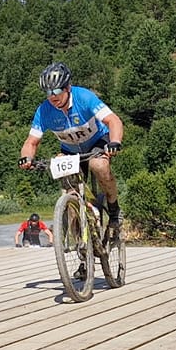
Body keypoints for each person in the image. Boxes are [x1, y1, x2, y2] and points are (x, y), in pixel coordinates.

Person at [19, 61, 124, 232]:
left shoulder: (84, 97)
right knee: (69, 188)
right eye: (48, 92)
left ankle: (114, 209)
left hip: (97, 141)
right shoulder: (44, 111)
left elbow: (113, 120)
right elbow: (31, 142)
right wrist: (27, 158)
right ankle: (78, 233)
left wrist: (115, 142)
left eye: (57, 90)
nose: (52, 96)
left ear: (68, 87)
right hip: (71, 150)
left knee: (99, 165)